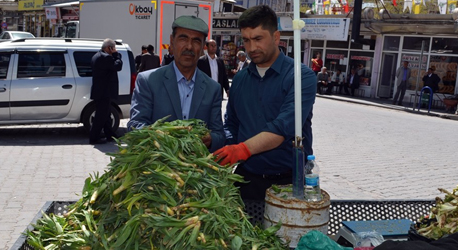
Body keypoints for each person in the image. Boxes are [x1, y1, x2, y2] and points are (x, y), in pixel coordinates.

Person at [217, 5, 317, 201]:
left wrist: (241, 150)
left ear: (276, 37)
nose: (251, 48)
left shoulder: (300, 76)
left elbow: (282, 128)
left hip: (289, 184)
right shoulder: (239, 79)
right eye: (246, 40)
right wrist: (222, 145)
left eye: (258, 39)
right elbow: (232, 124)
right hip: (247, 181)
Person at [127, 16, 225, 152]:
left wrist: (210, 139)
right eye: (183, 39)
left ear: (203, 47)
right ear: (172, 42)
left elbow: (219, 135)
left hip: (195, 170)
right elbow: (135, 125)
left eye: (196, 41)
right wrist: (165, 138)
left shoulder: (212, 88)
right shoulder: (148, 81)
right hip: (157, 168)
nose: (189, 46)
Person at [89, 38, 122, 145]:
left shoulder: (97, 55)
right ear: (110, 48)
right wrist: (117, 55)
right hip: (104, 91)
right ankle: (94, 137)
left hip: (100, 90)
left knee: (106, 114)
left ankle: (110, 135)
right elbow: (118, 66)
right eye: (114, 48)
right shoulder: (106, 57)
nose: (115, 50)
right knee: (101, 116)